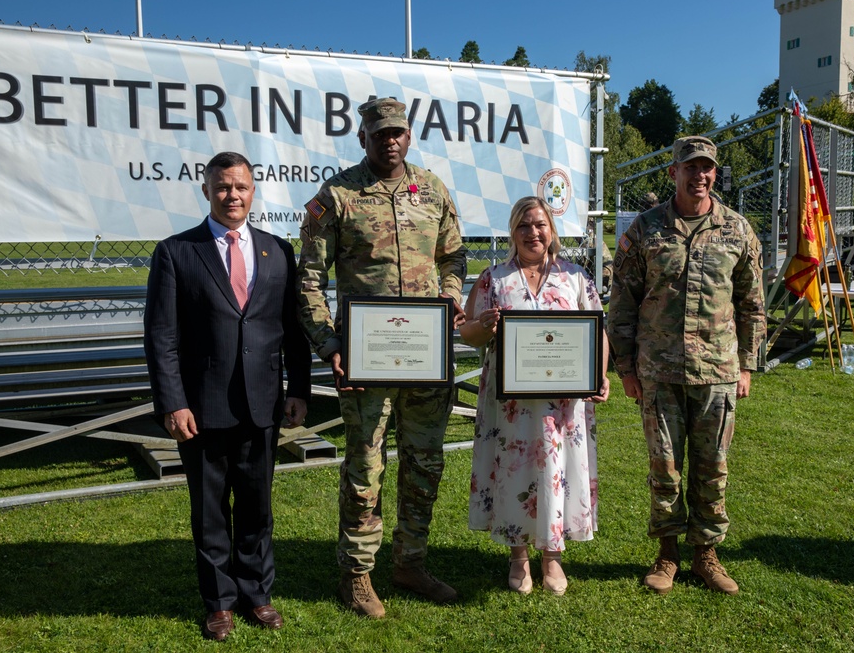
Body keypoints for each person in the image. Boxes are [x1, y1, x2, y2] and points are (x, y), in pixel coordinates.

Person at [296, 97, 467, 619]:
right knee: (365, 466)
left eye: (398, 132)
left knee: (425, 462)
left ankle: (410, 561)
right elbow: (309, 280)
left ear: (408, 136)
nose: (389, 140)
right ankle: (357, 575)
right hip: (367, 358)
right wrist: (327, 343)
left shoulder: (432, 189)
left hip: (425, 356)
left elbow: (453, 254)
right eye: (379, 132)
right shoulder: (338, 196)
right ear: (363, 136)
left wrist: (454, 293)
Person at [144, 151, 311, 641]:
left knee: (258, 506)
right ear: (207, 191)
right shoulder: (176, 252)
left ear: (253, 190)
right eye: (222, 187)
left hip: (263, 404)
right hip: (202, 407)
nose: (232, 195)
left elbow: (292, 330)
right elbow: (161, 336)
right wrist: (173, 402)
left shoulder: (277, 251)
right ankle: (219, 601)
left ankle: (257, 593)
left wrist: (298, 389)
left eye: (240, 187)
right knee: (211, 510)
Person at [606, 136, 766, 596]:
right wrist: (627, 368)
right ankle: (668, 553)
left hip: (718, 370)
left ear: (715, 174)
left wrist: (748, 365)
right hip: (658, 371)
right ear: (673, 172)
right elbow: (623, 302)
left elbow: (752, 303)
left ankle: (706, 554)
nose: (700, 175)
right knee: (665, 468)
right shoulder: (645, 230)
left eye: (707, 168)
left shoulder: (737, 230)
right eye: (691, 167)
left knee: (712, 466)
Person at [461, 196, 611, 596]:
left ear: (552, 230)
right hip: (510, 405)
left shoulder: (575, 276)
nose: (533, 232)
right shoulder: (493, 279)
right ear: (512, 231)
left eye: (540, 224)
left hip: (562, 404)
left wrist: (598, 375)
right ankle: (518, 557)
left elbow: (598, 331)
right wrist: (485, 326)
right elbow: (467, 332)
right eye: (524, 225)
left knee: (558, 470)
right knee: (513, 469)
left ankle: (553, 557)